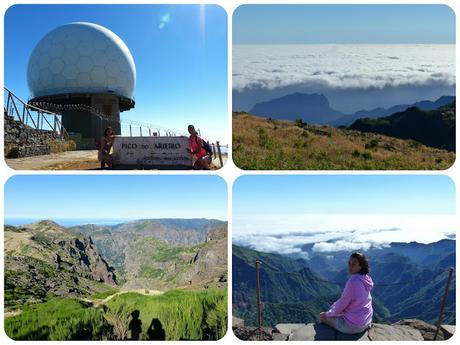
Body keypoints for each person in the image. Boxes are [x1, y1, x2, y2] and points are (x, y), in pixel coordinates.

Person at [319, 252, 373, 334]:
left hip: (353, 326)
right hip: (366, 321)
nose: (350, 266)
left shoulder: (353, 282)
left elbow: (342, 304)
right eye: (349, 263)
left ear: (361, 266)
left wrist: (327, 314)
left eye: (354, 264)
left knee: (322, 317)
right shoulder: (366, 279)